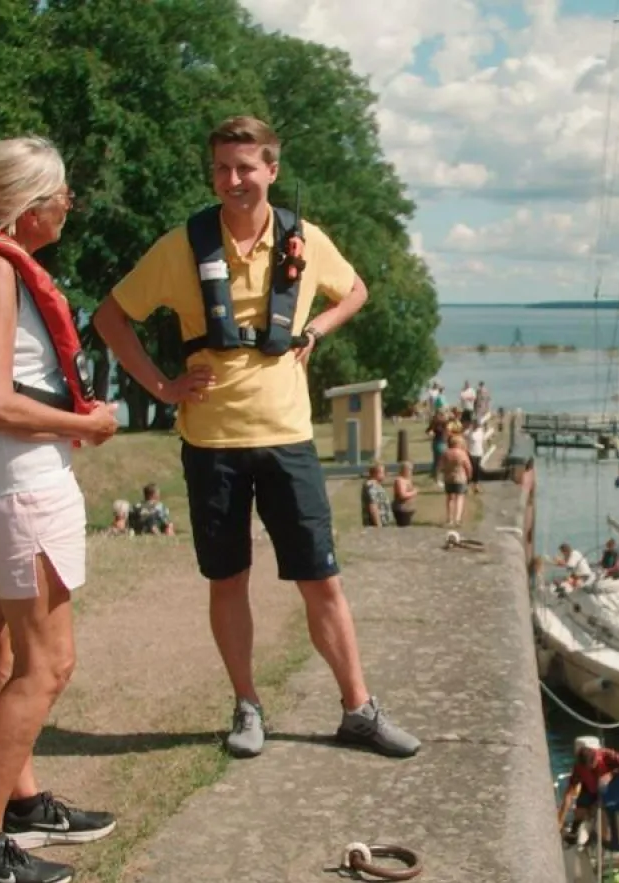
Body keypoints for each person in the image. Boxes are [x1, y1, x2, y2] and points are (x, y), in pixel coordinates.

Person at [92, 115, 418, 759]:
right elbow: (110, 317)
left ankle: (358, 709)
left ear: (271, 170)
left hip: (288, 436)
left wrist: (316, 330)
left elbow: (355, 289)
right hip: (211, 441)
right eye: (221, 168)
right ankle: (248, 707)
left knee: (321, 579)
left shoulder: (304, 238)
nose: (233, 180)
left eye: (246, 167)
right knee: (228, 578)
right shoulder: (182, 246)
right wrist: (161, 388)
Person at [0, 137, 122, 883]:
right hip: (20, 484)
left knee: (7, 651)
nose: (70, 204)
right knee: (48, 663)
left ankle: (23, 799)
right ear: (28, 206)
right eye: (62, 193)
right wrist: (91, 427)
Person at [556, 736, 619, 846]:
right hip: (591, 789)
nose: (589, 770)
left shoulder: (608, 755)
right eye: (586, 769)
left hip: (611, 789)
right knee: (579, 811)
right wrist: (560, 818)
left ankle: (605, 842)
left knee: (600, 814)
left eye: (591, 768)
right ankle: (574, 833)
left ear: (596, 759)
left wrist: (612, 774)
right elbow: (570, 792)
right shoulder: (579, 767)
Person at [440, 433, 473, 528]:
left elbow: (440, 466)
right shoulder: (462, 453)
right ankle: (457, 519)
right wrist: (469, 476)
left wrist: (442, 473)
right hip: (460, 477)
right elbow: (468, 466)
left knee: (450, 498)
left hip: (448, 477)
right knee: (460, 497)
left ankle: (449, 519)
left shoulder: (446, 453)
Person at [360, 462, 394, 527]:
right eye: (383, 472)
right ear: (375, 473)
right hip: (376, 526)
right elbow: (373, 507)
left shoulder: (376, 485)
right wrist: (378, 526)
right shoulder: (371, 486)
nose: (385, 474)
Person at [463, 416, 486, 493]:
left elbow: (482, 441)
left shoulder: (481, 431)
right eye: (475, 424)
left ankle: (476, 486)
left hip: (479, 453)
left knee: (477, 470)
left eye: (478, 424)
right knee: (470, 470)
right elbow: (463, 439)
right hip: (471, 453)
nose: (476, 426)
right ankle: (468, 486)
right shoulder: (468, 432)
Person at [392, 462, 418, 527]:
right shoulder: (399, 480)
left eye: (411, 470)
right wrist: (414, 492)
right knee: (404, 529)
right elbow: (402, 495)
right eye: (409, 470)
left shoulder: (407, 479)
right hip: (402, 509)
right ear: (403, 470)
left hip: (408, 509)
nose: (411, 472)